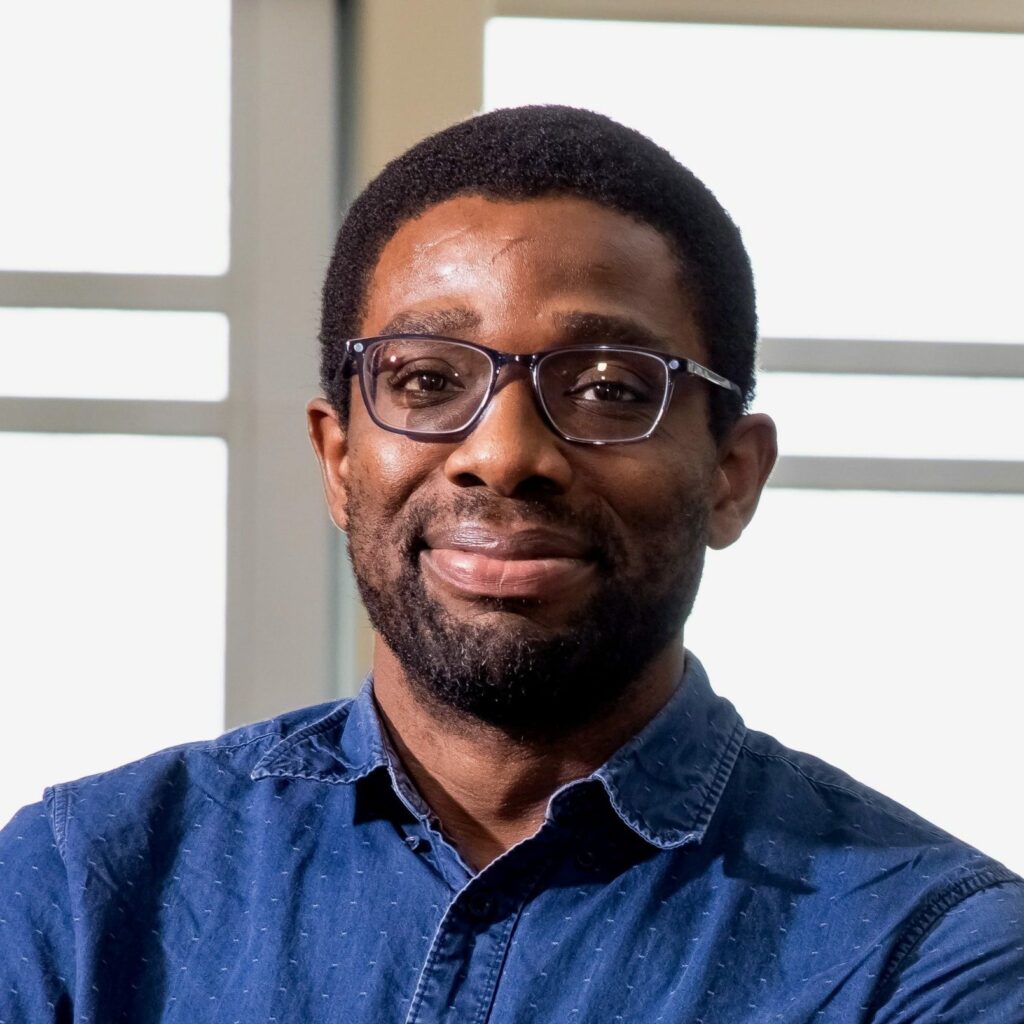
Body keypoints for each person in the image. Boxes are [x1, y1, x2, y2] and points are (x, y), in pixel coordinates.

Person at [1, 105, 1021, 1023]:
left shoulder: (925, 954)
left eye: (612, 388)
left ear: (731, 475)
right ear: (338, 457)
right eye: (427, 378)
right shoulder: (80, 890)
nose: (503, 454)